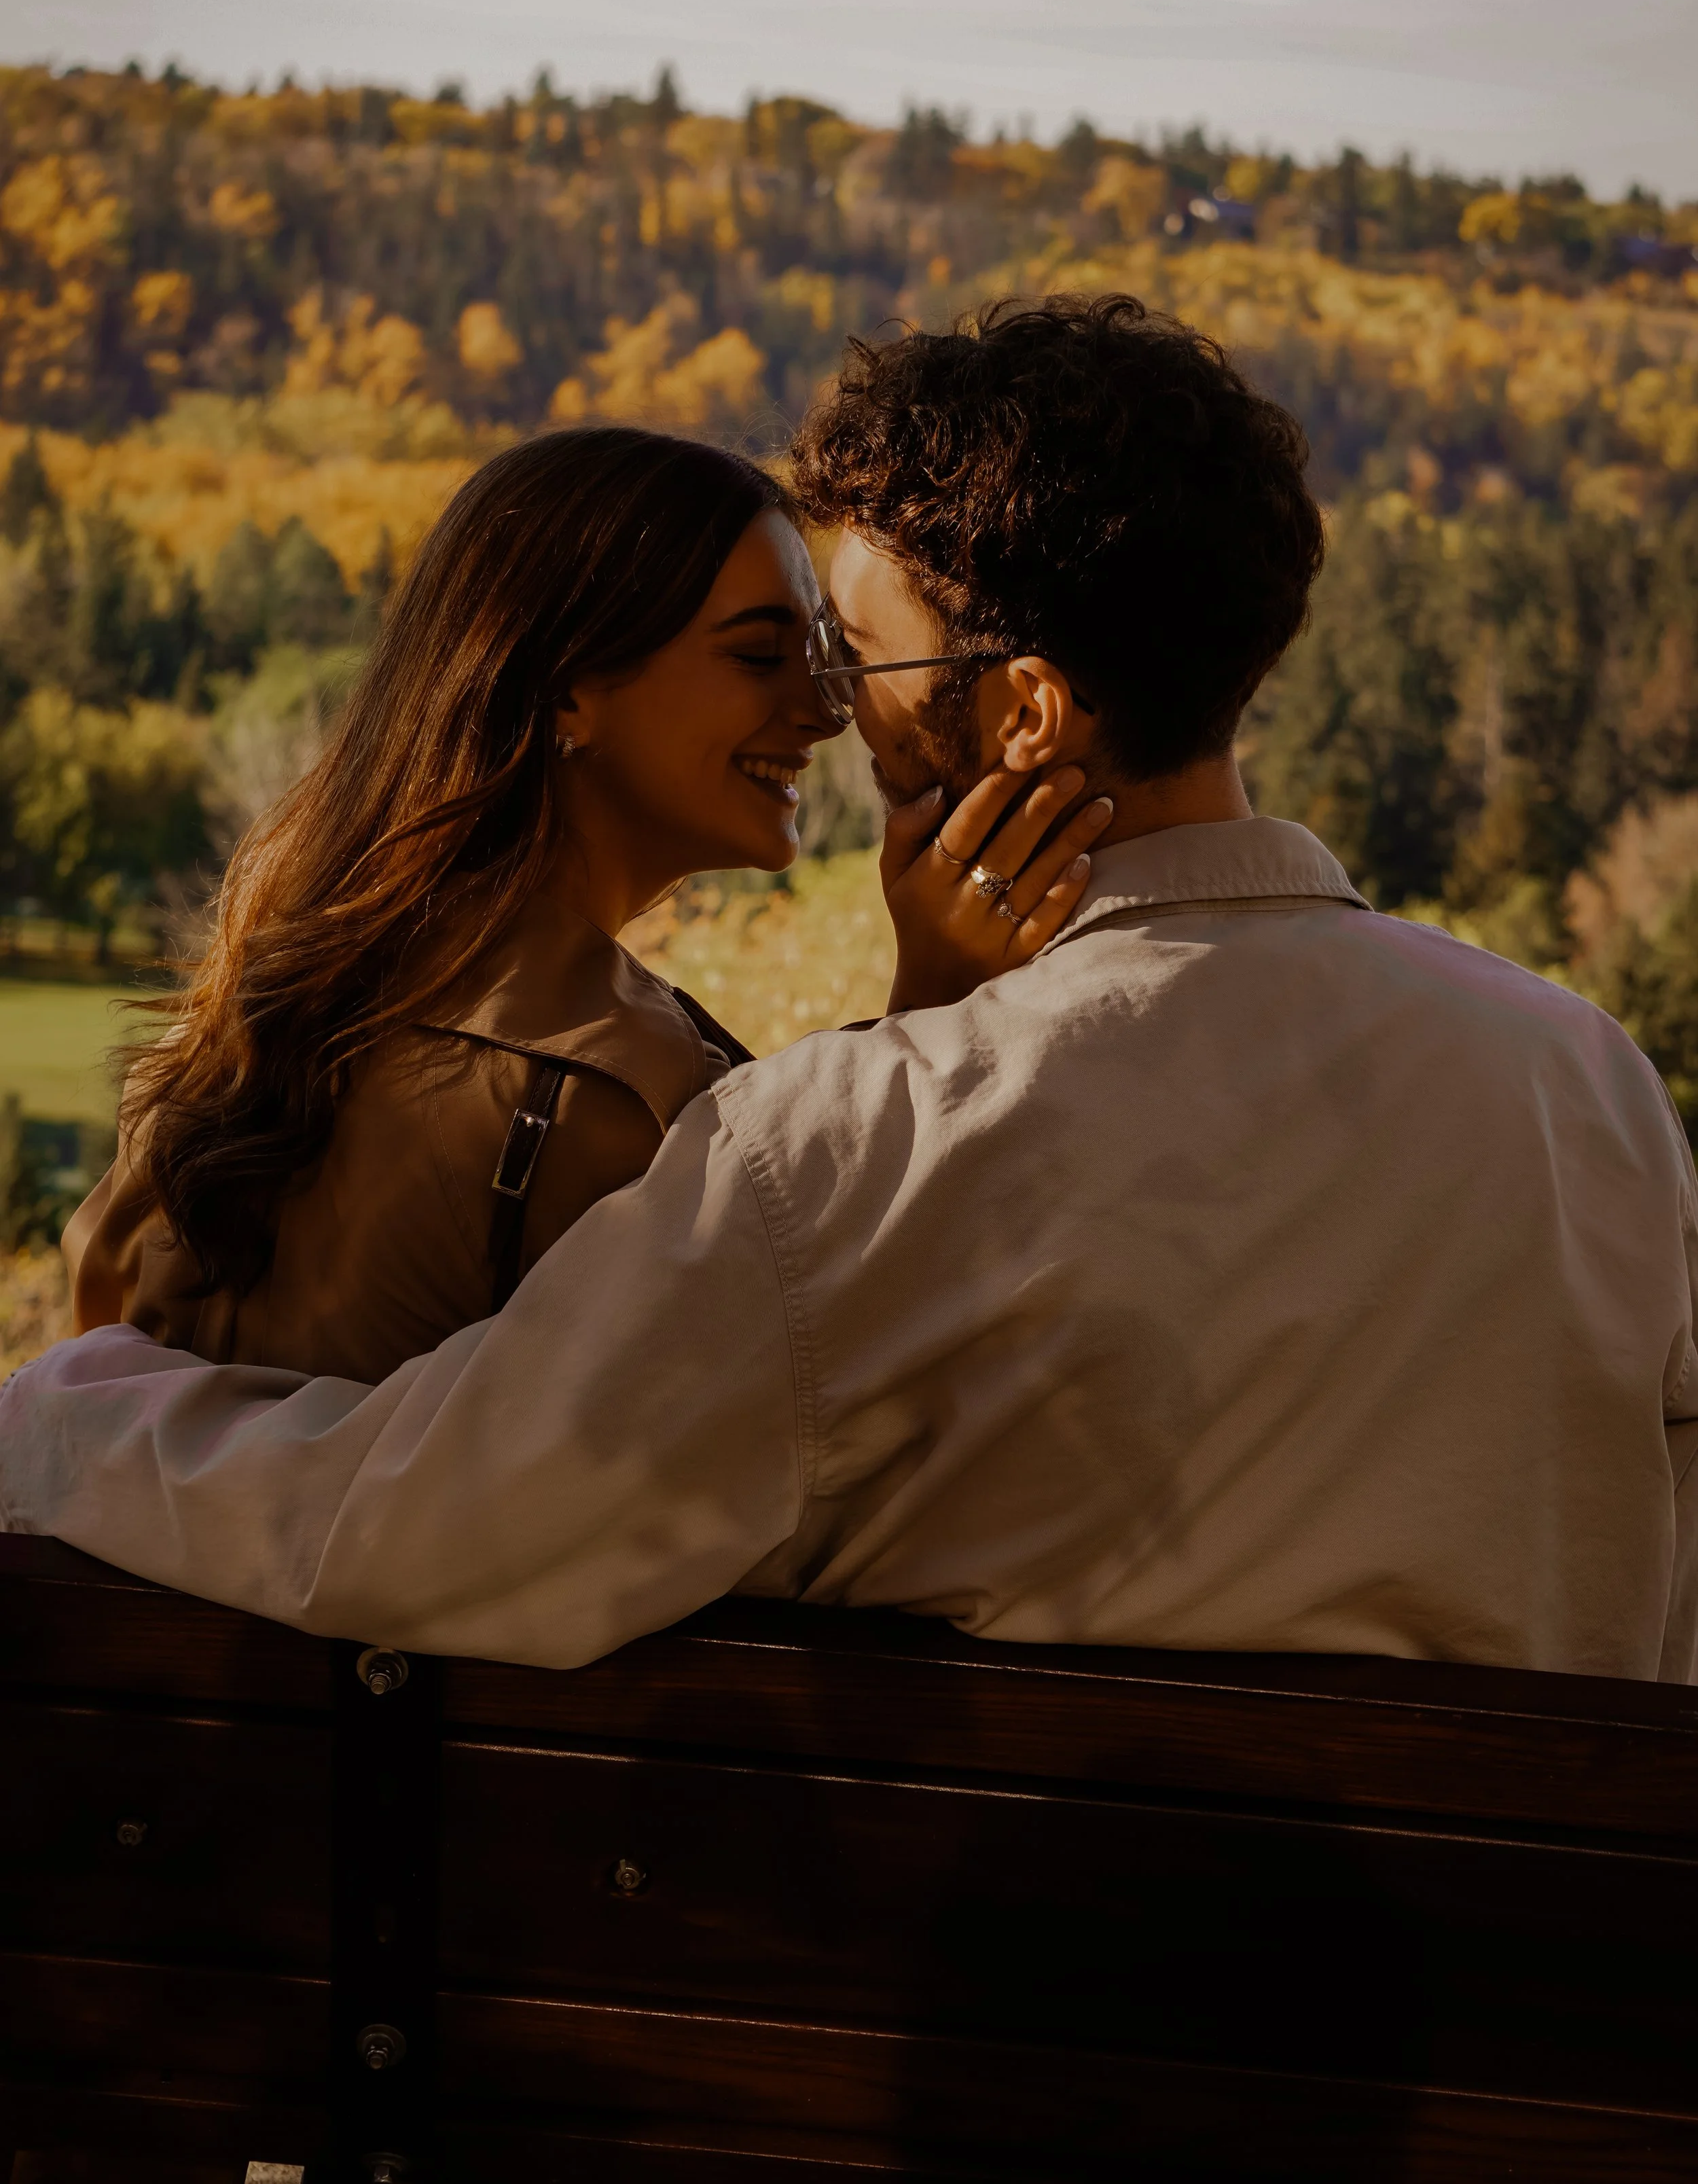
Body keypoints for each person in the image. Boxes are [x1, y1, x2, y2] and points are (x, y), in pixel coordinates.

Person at [4, 296, 1695, 1685]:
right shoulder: (1587, 1090)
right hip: (1529, 2060)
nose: (835, 708)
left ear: (1023, 715)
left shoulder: (848, 1147)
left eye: (859, 656)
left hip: (1012, 2054)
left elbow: (425, 1537)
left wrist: (76, 1417)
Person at [62, 423, 1103, 1382]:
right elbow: (811, 1406)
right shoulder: (615, 1098)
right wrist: (930, 1019)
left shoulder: (270, 983)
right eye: (756, 654)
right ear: (568, 686)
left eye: (829, 654)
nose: (825, 709)